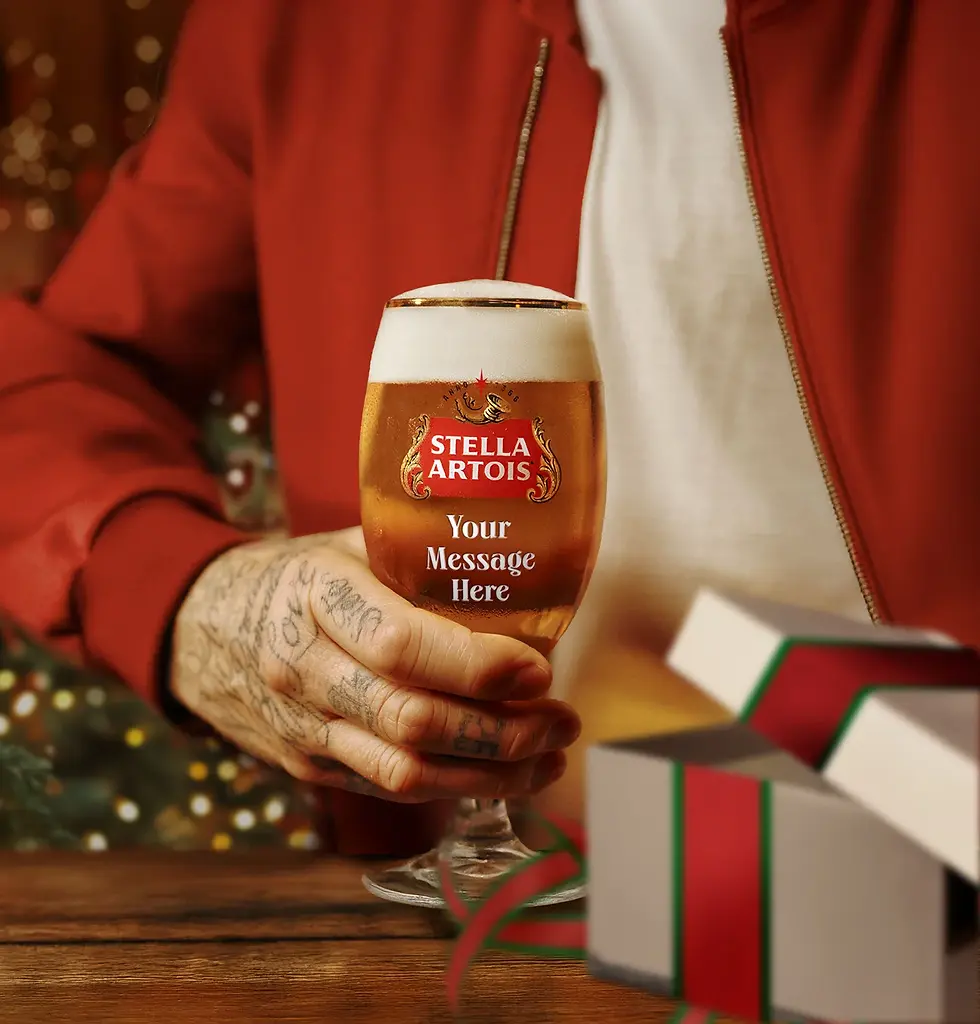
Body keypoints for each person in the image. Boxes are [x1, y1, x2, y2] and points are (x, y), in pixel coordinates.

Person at [0, 0, 976, 855]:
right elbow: (52, 381)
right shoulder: (307, 18)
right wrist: (188, 596)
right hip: (476, 906)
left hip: (931, 872)